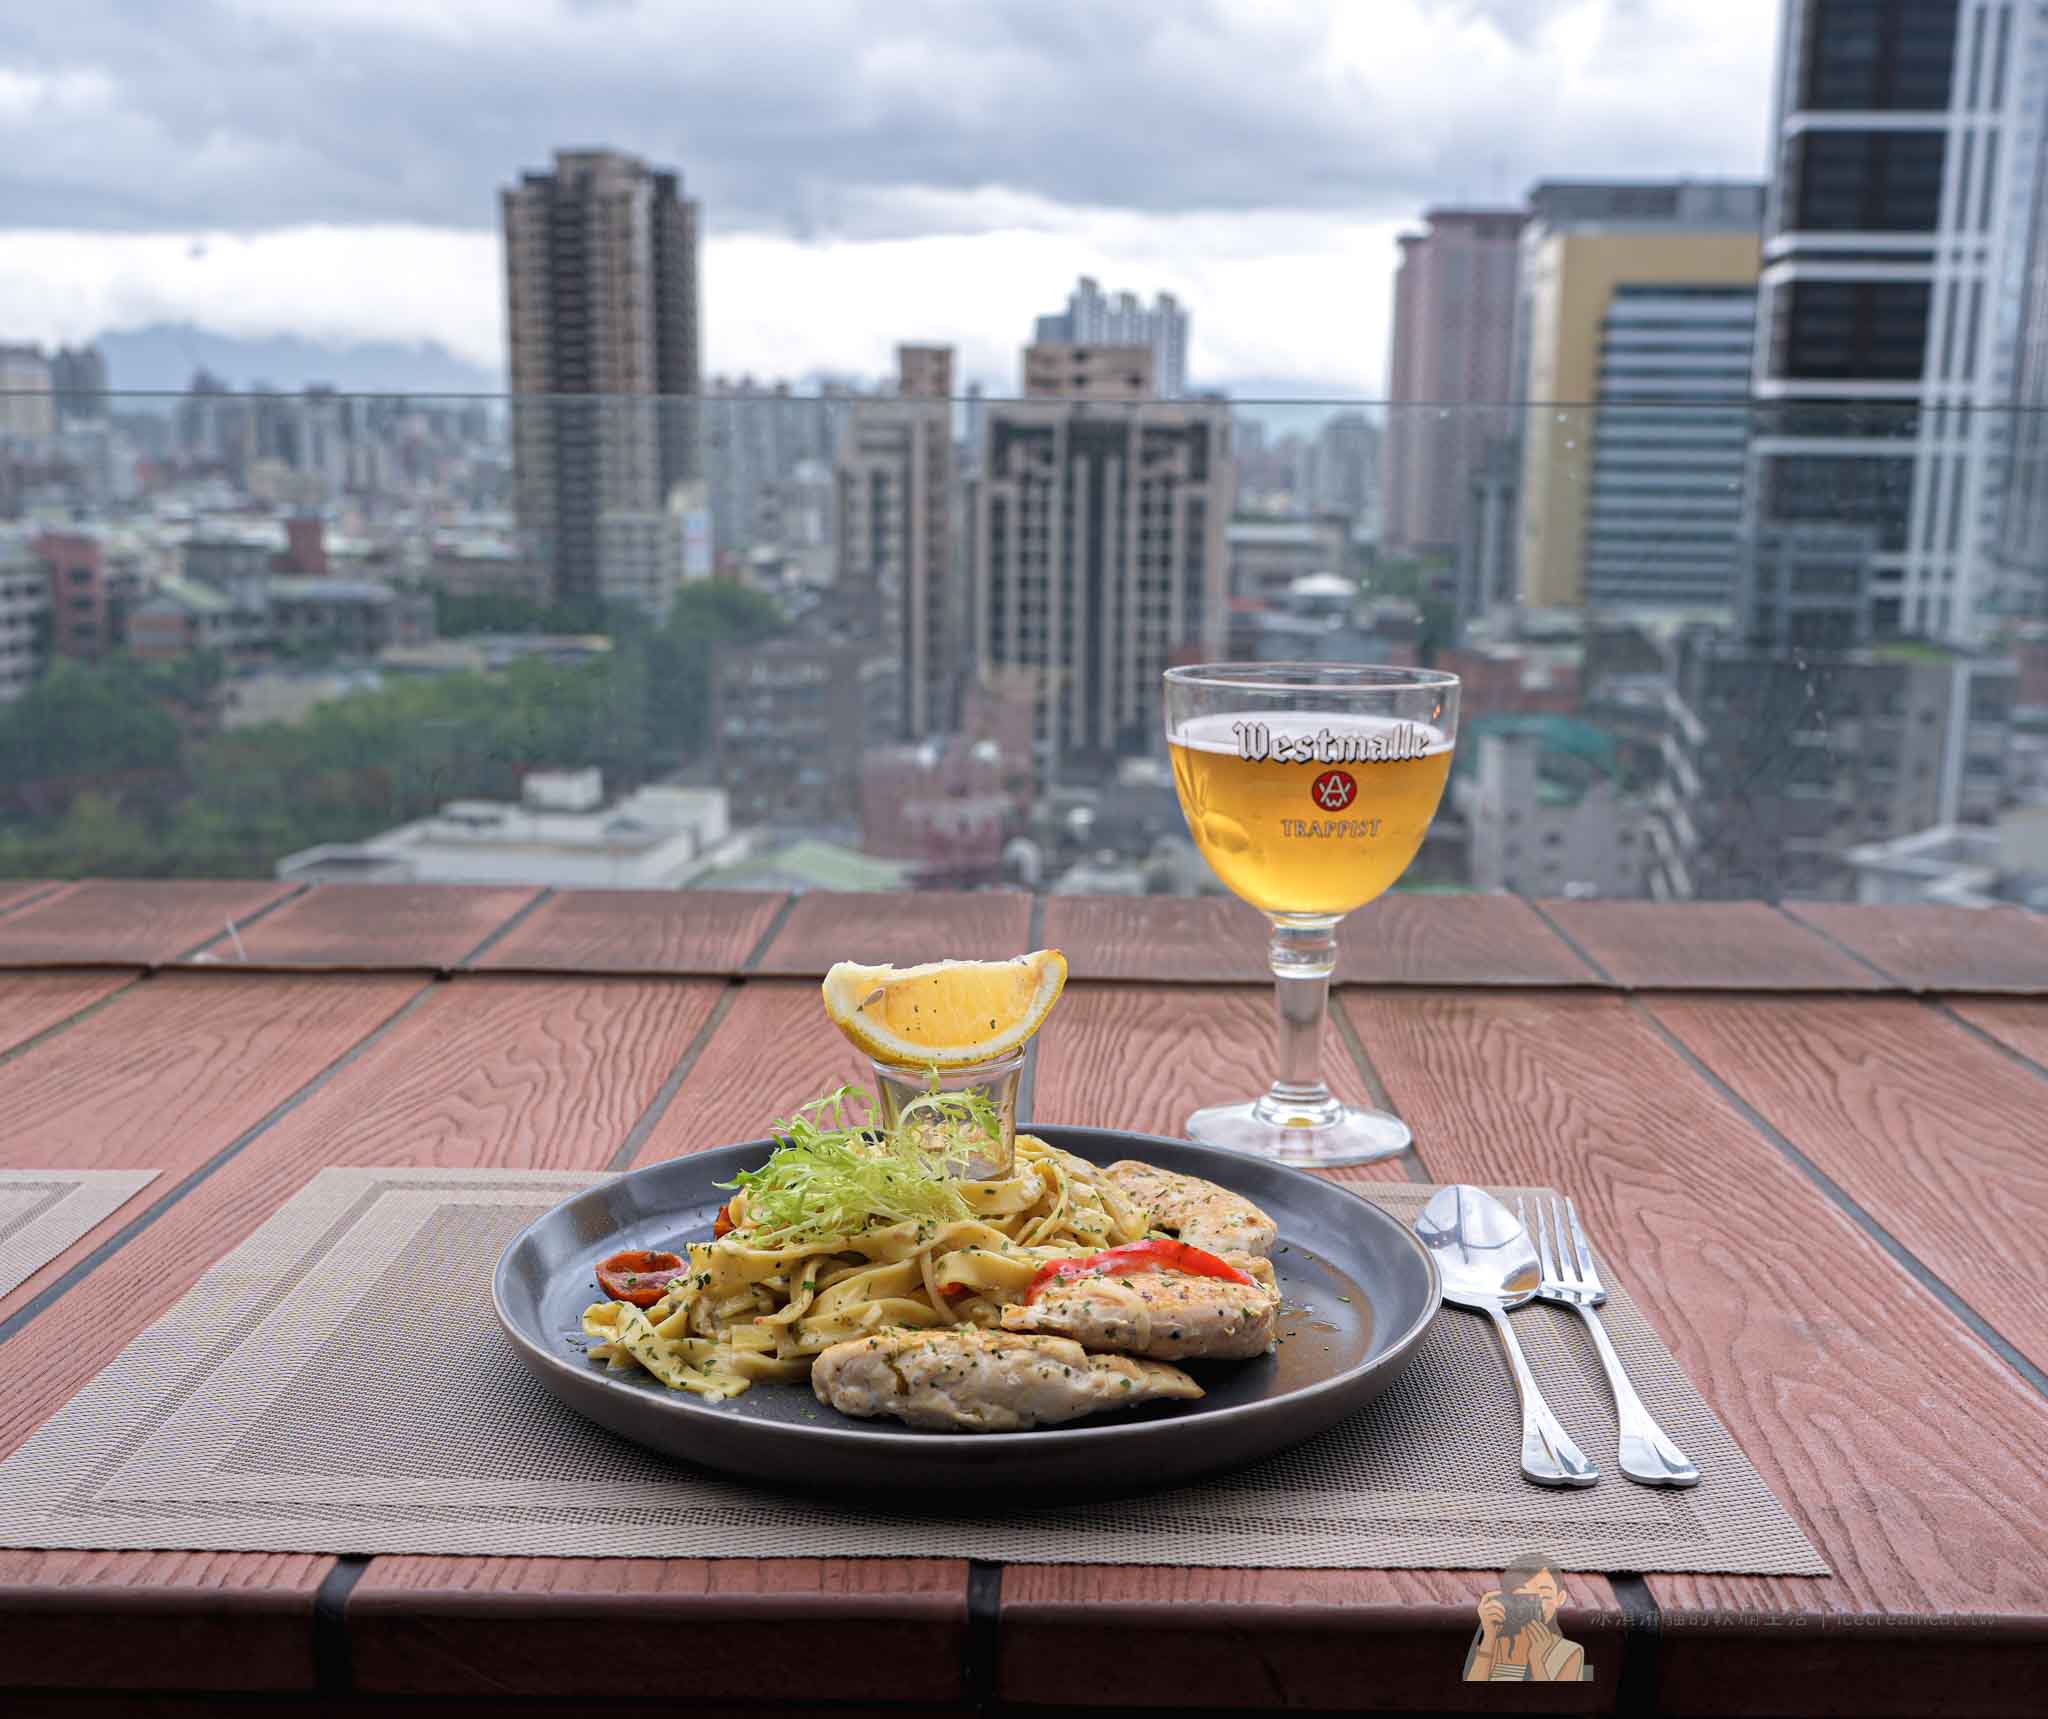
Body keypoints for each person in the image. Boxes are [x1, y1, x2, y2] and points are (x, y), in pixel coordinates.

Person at [1462, 1553, 1591, 1682]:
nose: (1535, 1607)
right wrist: (1489, 1637)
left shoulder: (1568, 1652)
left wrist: (1537, 1661)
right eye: (1522, 1597)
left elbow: (1556, 1701)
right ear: (1507, 1598)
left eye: (1544, 1596)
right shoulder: (1491, 1643)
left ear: (1560, 1598)